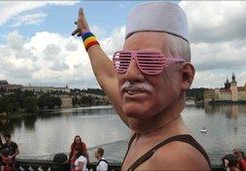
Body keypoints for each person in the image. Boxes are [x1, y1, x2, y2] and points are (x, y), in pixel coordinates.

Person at [72, 1, 211, 170]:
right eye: (123, 61)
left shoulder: (177, 160)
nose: (130, 74)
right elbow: (107, 75)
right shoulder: (143, 129)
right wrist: (86, 34)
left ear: (185, 76)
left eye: (149, 62)